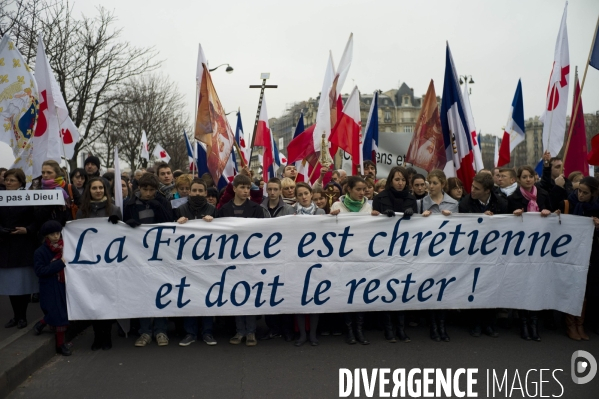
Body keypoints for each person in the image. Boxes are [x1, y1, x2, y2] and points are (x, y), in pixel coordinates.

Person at [123, 173, 173, 347]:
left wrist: (158, 207)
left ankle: (161, 330)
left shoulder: (163, 202)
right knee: (143, 291)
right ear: (139, 189)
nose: (149, 193)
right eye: (145, 190)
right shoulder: (129, 204)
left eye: (152, 190)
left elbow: (170, 223)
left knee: (161, 291)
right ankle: (144, 331)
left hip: (160, 254)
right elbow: (123, 226)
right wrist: (128, 223)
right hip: (139, 254)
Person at [330, 176, 380, 345]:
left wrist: (377, 219)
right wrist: (331, 218)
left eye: (364, 189)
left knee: (359, 293)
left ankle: (359, 329)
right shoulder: (337, 206)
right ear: (349, 190)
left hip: (362, 256)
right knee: (347, 292)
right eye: (358, 189)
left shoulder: (369, 207)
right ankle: (349, 330)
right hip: (344, 258)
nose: (362, 192)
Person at [216, 174, 264, 346]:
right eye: (242, 187)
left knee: (249, 294)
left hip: (251, 257)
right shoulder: (224, 210)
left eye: (248, 188)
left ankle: (251, 331)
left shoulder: (256, 209)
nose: (246, 191)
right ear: (234, 189)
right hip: (231, 258)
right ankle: (239, 330)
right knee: (236, 293)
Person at [75, 177, 122, 350]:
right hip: (91, 261)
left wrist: (118, 225)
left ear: (105, 190)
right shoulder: (83, 211)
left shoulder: (114, 209)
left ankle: (107, 335)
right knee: (94, 299)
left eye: (101, 188)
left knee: (108, 298)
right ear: (90, 191)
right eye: (94, 188)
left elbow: (121, 236)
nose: (98, 190)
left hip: (109, 262)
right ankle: (97, 335)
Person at [459, 172, 507, 338]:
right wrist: (480, 219)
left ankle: (490, 324)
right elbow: (464, 227)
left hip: (494, 253)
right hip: (474, 252)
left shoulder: (501, 203)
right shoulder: (465, 203)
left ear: (487, 191)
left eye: (477, 188)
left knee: (491, 288)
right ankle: (475, 324)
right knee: (475, 287)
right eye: (472, 186)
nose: (472, 190)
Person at [372, 167, 418, 344]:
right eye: (397, 179)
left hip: (404, 250)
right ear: (391, 180)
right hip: (384, 250)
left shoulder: (411, 199)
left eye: (403, 180)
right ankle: (388, 329)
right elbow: (372, 222)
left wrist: (413, 215)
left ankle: (401, 328)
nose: (400, 183)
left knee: (401, 290)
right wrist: (379, 217)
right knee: (387, 289)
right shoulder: (380, 198)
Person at [508, 165, 553, 342]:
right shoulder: (514, 198)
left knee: (535, 285)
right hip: (521, 249)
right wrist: (514, 216)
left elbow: (554, 217)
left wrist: (548, 213)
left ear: (535, 178)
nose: (528, 179)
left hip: (539, 248)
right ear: (519, 179)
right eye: (524, 177)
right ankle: (524, 323)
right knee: (523, 284)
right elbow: (504, 224)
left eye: (531, 176)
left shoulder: (543, 195)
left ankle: (534, 323)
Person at [174, 178, 218, 347]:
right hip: (187, 262)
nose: (197, 194)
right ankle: (190, 332)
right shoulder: (180, 210)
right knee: (189, 296)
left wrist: (214, 223)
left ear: (206, 193)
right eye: (195, 191)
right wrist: (176, 224)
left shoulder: (213, 210)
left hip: (207, 261)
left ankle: (207, 332)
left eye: (201, 191)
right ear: (189, 192)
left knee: (207, 296)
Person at [556, 176, 599, 341]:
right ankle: (570, 324)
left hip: (590, 251)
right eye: (579, 191)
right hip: (569, 251)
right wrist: (556, 215)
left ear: (594, 193)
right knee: (571, 284)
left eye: (585, 193)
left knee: (585, 288)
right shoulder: (568, 203)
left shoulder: (596, 208)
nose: (580, 195)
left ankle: (580, 324)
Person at [420, 169, 459, 342]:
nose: (431, 186)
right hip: (428, 252)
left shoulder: (453, 204)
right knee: (431, 287)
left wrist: (452, 219)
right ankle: (433, 326)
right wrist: (422, 218)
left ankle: (442, 325)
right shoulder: (422, 203)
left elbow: (460, 229)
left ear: (442, 184)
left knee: (443, 288)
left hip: (446, 252)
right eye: (429, 183)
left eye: (435, 183)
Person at [0, 169, 39, 330]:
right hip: (5, 245)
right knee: (10, 283)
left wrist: (27, 230)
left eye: (12, 180)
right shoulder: (0, 198)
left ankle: (22, 316)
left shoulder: (28, 198)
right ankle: (15, 316)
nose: (8, 183)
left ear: (21, 183)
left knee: (22, 284)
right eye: (7, 180)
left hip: (23, 246)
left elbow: (37, 220)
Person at [293, 182, 325, 346]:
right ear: (296, 197)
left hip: (316, 260)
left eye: (306, 193)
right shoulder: (290, 212)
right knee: (300, 298)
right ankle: (302, 334)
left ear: (311, 194)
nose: (304, 197)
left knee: (314, 297)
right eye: (300, 194)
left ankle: (312, 334)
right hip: (297, 262)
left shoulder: (320, 212)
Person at [34, 220, 72, 356]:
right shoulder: (40, 252)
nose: (56, 236)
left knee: (61, 312)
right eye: (52, 234)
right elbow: (40, 271)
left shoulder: (66, 247)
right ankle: (60, 345)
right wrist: (59, 264)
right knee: (59, 315)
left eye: (58, 233)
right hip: (50, 287)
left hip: (63, 285)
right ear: (46, 236)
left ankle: (42, 322)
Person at [37, 160, 79, 224]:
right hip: (47, 229)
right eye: (43, 172)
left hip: (67, 228)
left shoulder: (69, 188)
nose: (45, 175)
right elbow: (38, 216)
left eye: (49, 172)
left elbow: (82, 206)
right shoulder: (39, 191)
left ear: (56, 173)